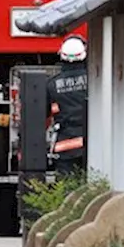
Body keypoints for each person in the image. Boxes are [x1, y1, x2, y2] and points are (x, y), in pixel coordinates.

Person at [47, 34, 90, 179]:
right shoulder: (95, 79)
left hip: (66, 147)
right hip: (92, 143)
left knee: (67, 189)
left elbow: (44, 115)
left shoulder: (52, 84)